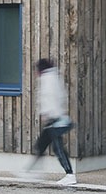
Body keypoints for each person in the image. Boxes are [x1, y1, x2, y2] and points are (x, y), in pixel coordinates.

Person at [24, 56, 74, 185]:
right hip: (54, 118)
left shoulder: (48, 79)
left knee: (58, 148)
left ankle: (70, 175)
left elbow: (50, 98)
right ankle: (32, 172)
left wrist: (49, 114)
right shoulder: (53, 77)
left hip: (54, 120)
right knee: (41, 145)